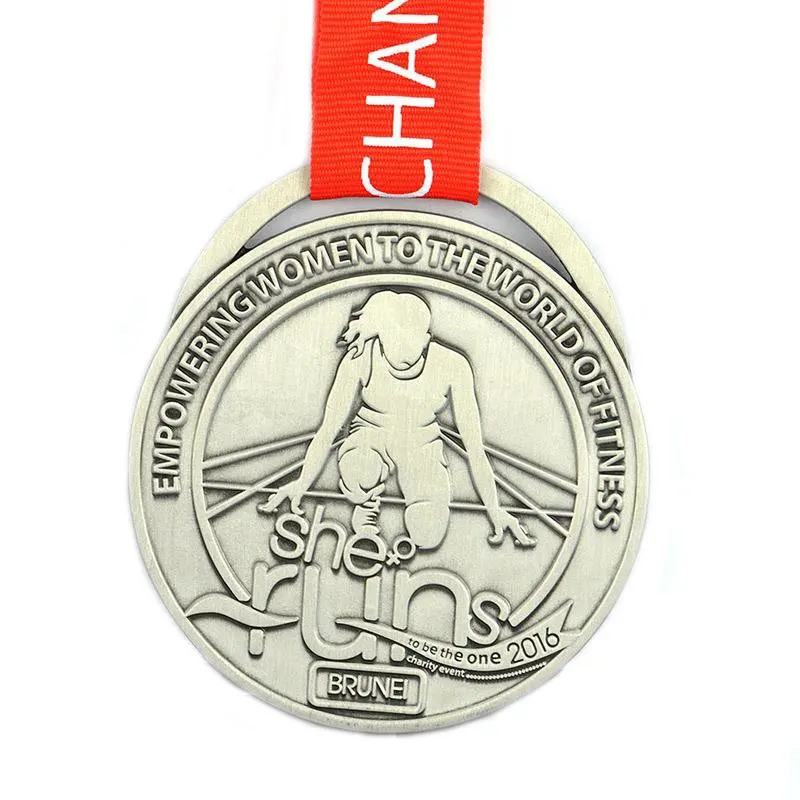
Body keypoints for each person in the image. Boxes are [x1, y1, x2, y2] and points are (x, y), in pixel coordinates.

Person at [260, 291, 531, 550]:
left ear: (426, 339)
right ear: (381, 334)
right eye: (392, 338)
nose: (400, 350)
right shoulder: (360, 356)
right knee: (361, 470)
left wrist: (494, 509)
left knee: (428, 534)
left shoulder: (453, 365)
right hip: (370, 434)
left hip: (422, 444)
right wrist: (302, 483)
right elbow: (329, 428)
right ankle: (366, 507)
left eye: (409, 342)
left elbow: (474, 446)